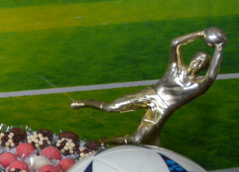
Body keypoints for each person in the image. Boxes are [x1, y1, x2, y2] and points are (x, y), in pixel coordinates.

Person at [71, 27, 226, 145]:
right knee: (110, 107)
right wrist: (200, 33)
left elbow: (211, 76)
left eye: (202, 63)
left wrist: (219, 49)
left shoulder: (197, 85)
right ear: (192, 58)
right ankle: (88, 102)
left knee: (137, 139)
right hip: (151, 94)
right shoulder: (175, 68)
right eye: (197, 58)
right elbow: (175, 43)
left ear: (204, 67)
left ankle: (106, 141)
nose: (198, 63)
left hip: (163, 109)